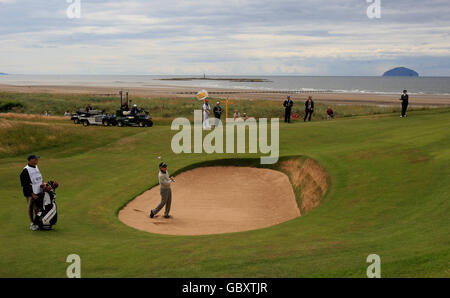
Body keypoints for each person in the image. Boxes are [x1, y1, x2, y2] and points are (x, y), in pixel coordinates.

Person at [20, 154, 43, 231]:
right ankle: (32, 223)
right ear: (30, 160)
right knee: (31, 208)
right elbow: (25, 184)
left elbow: (39, 178)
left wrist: (43, 184)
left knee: (38, 208)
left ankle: (37, 222)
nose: (37, 160)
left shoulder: (36, 167)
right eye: (35, 159)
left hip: (38, 191)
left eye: (37, 159)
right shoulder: (25, 170)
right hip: (30, 193)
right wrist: (32, 194)